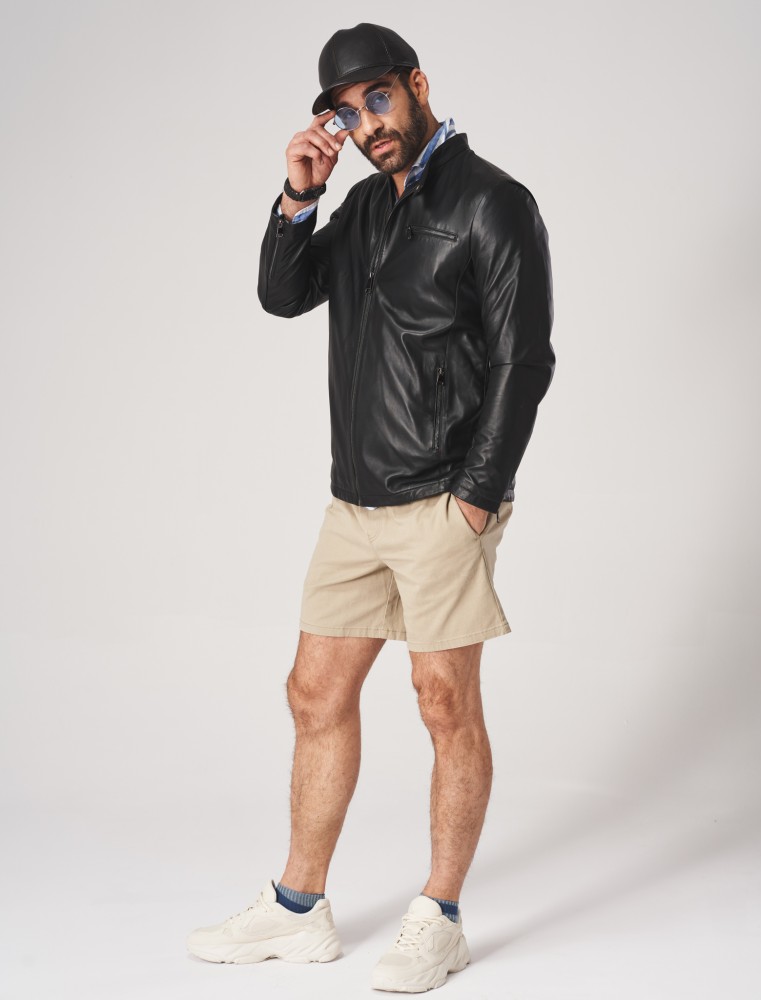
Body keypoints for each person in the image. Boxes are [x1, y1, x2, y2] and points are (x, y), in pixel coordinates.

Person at [186, 22, 555, 993]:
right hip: (353, 502)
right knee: (313, 693)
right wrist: (298, 196)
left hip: (442, 500)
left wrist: (475, 499)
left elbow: (523, 360)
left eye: (377, 100)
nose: (366, 125)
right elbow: (281, 295)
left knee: (443, 702)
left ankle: (439, 917)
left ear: (417, 86)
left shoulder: (493, 203)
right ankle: (298, 908)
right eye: (347, 114)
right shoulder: (355, 206)